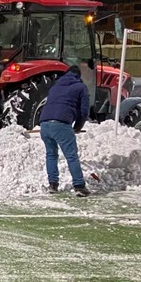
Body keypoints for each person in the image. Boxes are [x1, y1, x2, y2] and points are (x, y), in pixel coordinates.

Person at [38, 64, 91, 196]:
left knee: (51, 155)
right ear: (78, 76)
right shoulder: (80, 87)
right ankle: (79, 186)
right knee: (71, 155)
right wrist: (78, 126)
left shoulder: (55, 86)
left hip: (44, 124)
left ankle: (53, 185)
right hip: (61, 124)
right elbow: (84, 111)